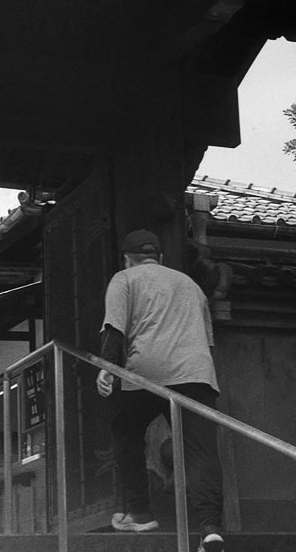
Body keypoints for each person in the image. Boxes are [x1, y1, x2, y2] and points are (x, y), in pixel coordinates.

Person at [96, 228, 225, 552]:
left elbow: (115, 328)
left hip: (148, 373)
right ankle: (210, 527)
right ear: (161, 258)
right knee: (201, 452)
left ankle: (140, 512)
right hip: (196, 373)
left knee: (126, 431)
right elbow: (208, 341)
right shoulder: (191, 286)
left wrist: (106, 368)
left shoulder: (124, 280)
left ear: (127, 258)